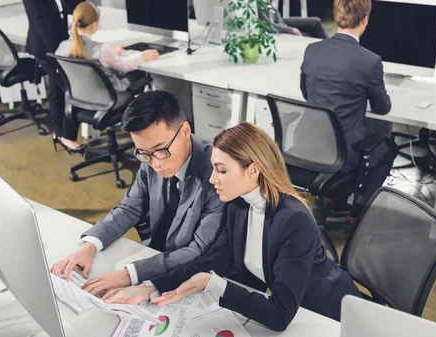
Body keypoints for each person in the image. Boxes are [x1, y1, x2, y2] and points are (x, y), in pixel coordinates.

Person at [103, 122, 362, 331]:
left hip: (326, 316)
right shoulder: (238, 204)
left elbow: (280, 315)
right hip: (292, 310)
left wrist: (214, 285)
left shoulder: (293, 220)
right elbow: (215, 258)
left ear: (253, 170)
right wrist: (150, 287)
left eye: (222, 171)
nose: (213, 178)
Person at [50, 91, 225, 295]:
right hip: (154, 254)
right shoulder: (150, 156)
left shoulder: (217, 172)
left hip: (194, 276)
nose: (156, 163)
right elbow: (129, 208)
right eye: (144, 153)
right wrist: (88, 248)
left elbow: (198, 250)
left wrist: (129, 275)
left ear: (185, 130)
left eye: (161, 150)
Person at [299, 0, 396, 221]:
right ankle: (359, 209)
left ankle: (334, 202)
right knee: (387, 148)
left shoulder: (312, 50)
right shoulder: (370, 61)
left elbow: (306, 93)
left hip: (304, 147)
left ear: (336, 16)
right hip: (342, 157)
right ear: (364, 19)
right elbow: (382, 109)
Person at [55, 2, 159, 93]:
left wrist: (113, 54)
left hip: (80, 97)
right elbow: (123, 67)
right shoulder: (101, 49)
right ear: (94, 25)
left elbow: (60, 71)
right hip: (112, 97)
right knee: (139, 73)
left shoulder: (62, 47)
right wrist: (142, 57)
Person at [22, 0, 83, 153]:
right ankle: (67, 136)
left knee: (57, 89)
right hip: (47, 49)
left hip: (60, 41)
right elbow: (41, 25)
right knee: (73, 90)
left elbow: (74, 6)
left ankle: (59, 133)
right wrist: (57, 57)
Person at [259, 0, 328, 39]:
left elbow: (277, 16)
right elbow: (268, 26)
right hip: (273, 28)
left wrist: (286, 27)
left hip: (279, 23)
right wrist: (291, 30)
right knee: (309, 35)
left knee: (315, 22)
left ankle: (332, 46)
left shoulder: (266, 2)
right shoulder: (256, 4)